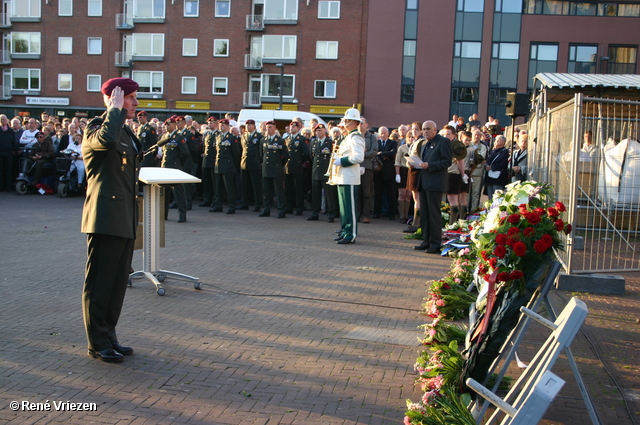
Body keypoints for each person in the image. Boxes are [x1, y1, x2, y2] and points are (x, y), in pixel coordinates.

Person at [81, 78, 142, 363]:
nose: (136, 103)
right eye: (130, 98)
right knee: (100, 283)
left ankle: (110, 335)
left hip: (124, 217)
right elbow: (105, 142)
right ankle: (97, 342)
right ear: (114, 99)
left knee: (118, 283)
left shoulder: (127, 133)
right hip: (104, 218)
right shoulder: (96, 129)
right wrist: (114, 111)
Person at [412, 121, 452, 254]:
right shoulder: (424, 143)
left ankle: (435, 243)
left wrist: (430, 165)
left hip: (435, 183)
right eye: (423, 129)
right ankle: (426, 240)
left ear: (435, 129)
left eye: (428, 129)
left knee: (434, 214)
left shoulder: (443, 142)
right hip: (424, 182)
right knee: (424, 214)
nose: (425, 131)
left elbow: (447, 161)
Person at [331, 109, 365, 244]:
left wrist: (342, 161)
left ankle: (351, 234)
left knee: (349, 208)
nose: (344, 122)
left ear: (354, 122)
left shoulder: (356, 137)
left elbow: (358, 157)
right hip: (342, 176)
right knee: (343, 207)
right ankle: (345, 230)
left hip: (350, 176)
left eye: (347, 120)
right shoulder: (348, 137)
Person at [157, 117, 190, 222]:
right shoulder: (164, 137)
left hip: (175, 168)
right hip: (165, 167)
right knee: (165, 193)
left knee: (178, 192)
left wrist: (178, 164)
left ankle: (182, 215)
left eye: (169, 125)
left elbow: (185, 153)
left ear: (175, 125)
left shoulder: (179, 137)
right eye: (166, 125)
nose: (167, 127)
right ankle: (164, 214)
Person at [308, 123, 338, 222]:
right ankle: (315, 213)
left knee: (329, 195)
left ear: (325, 131)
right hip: (316, 171)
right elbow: (312, 156)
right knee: (315, 194)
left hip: (326, 172)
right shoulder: (314, 142)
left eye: (320, 130)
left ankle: (331, 214)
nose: (318, 132)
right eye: (317, 130)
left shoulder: (330, 142)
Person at [210, 118, 241, 214]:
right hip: (218, 165)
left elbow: (236, 153)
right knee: (218, 188)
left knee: (229, 188)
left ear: (228, 126)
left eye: (223, 125)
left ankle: (232, 206)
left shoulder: (232, 138)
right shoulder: (218, 137)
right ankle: (218, 205)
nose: (221, 126)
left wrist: (234, 167)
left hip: (228, 166)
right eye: (220, 125)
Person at [260, 121, 288, 218]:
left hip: (276, 169)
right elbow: (261, 155)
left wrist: (279, 165)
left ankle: (281, 210)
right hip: (266, 168)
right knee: (266, 191)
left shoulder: (280, 140)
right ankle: (266, 209)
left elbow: (285, 155)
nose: (268, 129)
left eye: (270, 127)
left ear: (275, 128)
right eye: (267, 127)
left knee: (278, 191)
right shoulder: (263, 140)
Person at [284, 120, 310, 215]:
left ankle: (299, 207)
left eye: (294, 127)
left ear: (298, 128)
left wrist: (299, 161)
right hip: (288, 166)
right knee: (288, 189)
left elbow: (306, 153)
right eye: (291, 126)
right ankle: (289, 206)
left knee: (298, 189)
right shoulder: (287, 138)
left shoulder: (301, 139)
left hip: (297, 167)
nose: (292, 128)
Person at [373, 126, 398, 220]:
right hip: (378, 171)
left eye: (384, 133)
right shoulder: (377, 142)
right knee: (378, 193)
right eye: (381, 133)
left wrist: (381, 153)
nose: (383, 135)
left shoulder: (393, 142)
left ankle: (391, 213)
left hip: (389, 172)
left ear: (388, 133)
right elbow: (375, 153)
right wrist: (385, 154)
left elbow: (393, 152)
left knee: (390, 194)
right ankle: (377, 212)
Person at [239, 119, 263, 212]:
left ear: (254, 126)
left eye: (250, 125)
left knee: (256, 185)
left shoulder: (259, 136)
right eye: (246, 125)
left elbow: (261, 151)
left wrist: (260, 162)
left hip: (255, 163)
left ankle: (258, 204)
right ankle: (244, 203)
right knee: (244, 185)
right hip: (245, 163)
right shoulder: (244, 136)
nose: (248, 127)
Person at [357, 117, 377, 223]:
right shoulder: (354, 136)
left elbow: (374, 151)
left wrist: (361, 154)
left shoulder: (371, 137)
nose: (360, 125)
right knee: (357, 192)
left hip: (367, 167)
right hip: (355, 167)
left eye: (362, 123)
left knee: (367, 193)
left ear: (366, 125)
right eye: (358, 123)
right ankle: (357, 214)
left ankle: (365, 215)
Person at [468, 129, 488, 211]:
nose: (476, 136)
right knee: (467, 193)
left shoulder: (483, 147)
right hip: (467, 172)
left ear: (481, 136)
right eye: (475, 135)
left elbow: (480, 158)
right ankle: (465, 210)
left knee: (475, 193)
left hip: (477, 172)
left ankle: (473, 210)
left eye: (478, 135)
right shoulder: (468, 145)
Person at [484, 135, 509, 199]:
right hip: (489, 176)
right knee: (490, 195)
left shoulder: (505, 151)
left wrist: (492, 167)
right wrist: (487, 166)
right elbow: (488, 160)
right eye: (496, 140)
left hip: (498, 176)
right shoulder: (493, 151)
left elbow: (503, 163)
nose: (496, 141)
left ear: (503, 142)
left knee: (497, 195)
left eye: (498, 140)